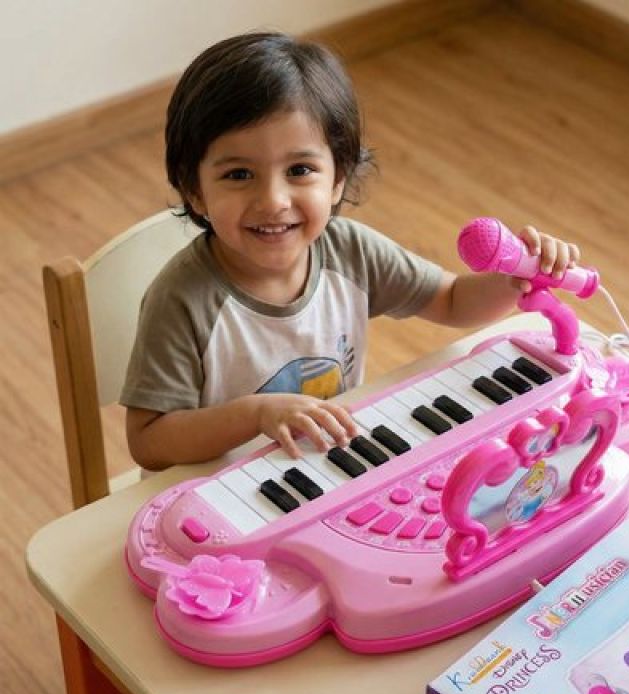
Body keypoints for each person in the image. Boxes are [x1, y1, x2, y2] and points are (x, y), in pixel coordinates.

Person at [122, 32, 580, 471]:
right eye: (239, 175)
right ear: (195, 191)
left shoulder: (350, 251)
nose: (274, 201)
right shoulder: (181, 299)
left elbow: (453, 301)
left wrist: (515, 278)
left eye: (300, 170)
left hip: (327, 471)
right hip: (216, 494)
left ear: (338, 178)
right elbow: (150, 441)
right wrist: (255, 414)